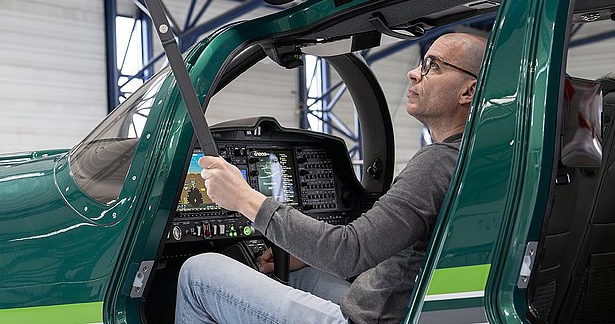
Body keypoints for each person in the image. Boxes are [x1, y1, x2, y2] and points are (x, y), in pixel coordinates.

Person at [176, 32, 487, 324]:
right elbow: (394, 248)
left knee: (198, 273)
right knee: (298, 274)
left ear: (468, 91)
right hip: (404, 309)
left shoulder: (438, 163)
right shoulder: (478, 159)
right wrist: (308, 255)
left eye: (433, 66)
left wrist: (244, 198)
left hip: (372, 319)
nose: (414, 73)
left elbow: (349, 252)